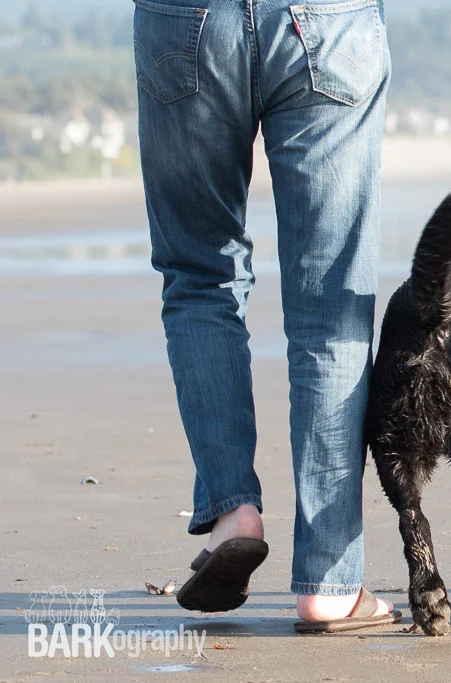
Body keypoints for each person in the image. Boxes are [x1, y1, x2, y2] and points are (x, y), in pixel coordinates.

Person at [134, 0, 398, 631]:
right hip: (328, 19)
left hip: (185, 18)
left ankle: (233, 512)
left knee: (201, 276)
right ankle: (329, 585)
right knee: (330, 303)